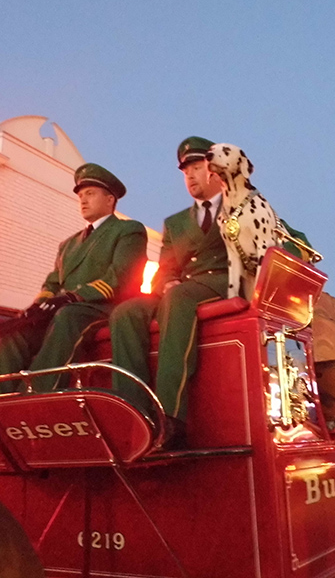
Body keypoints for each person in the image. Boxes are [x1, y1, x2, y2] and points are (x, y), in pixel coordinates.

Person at [0, 163, 147, 393]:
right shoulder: (68, 244)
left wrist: (73, 296)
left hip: (104, 308)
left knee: (67, 316)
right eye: (81, 196)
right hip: (68, 309)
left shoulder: (128, 230)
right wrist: (39, 304)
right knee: (18, 329)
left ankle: (36, 394)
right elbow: (53, 283)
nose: (83, 200)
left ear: (110, 199)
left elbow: (121, 277)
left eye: (90, 194)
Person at [109, 137, 228, 445]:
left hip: (223, 282)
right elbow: (166, 267)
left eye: (196, 168)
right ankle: (135, 417)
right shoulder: (175, 223)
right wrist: (166, 282)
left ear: (216, 170)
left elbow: (287, 238)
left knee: (178, 298)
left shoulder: (243, 207)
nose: (189, 176)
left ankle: (171, 418)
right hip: (183, 287)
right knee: (126, 312)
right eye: (185, 171)